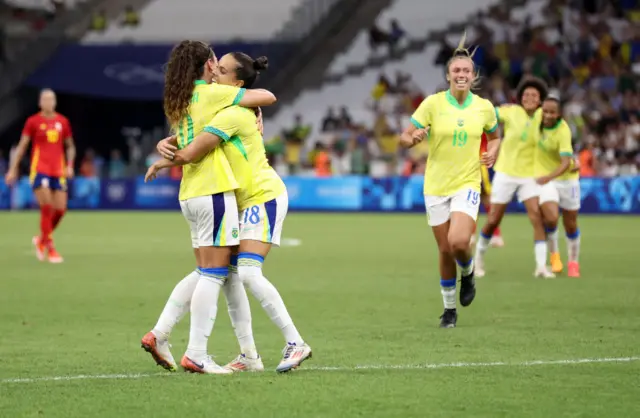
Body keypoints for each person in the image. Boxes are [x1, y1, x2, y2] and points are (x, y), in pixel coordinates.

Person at [149, 53, 312, 374]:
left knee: (246, 273)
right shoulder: (226, 108)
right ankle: (248, 355)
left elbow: (193, 149)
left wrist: (163, 158)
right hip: (243, 202)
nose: (215, 74)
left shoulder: (233, 114)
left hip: (262, 197)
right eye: (215, 67)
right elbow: (189, 136)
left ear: (237, 84)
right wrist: (166, 141)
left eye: (222, 71)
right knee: (227, 276)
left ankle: (296, 342)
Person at [399, 33, 500, 328]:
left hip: (467, 183)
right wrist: (412, 138)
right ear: (448, 75)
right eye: (456, 70)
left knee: (458, 241)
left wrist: (492, 152)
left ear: (473, 76)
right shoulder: (432, 104)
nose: (461, 74)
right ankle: (449, 309)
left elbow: (495, 137)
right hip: (435, 185)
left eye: (466, 70)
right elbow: (405, 136)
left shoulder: (484, 107)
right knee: (444, 250)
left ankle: (467, 273)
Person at [474, 77, 554, 278]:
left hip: (529, 176)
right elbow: (488, 114)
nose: (529, 98)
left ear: (540, 100)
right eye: (526, 94)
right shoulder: (510, 112)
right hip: (505, 174)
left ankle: (541, 267)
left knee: (537, 218)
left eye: (534, 95)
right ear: (520, 97)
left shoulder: (545, 118)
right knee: (493, 220)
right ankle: (477, 261)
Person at [4, 88, 75, 263]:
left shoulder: (62, 122)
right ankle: (50, 249)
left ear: (55, 102)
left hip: (58, 171)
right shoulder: (33, 122)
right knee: (47, 207)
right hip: (40, 170)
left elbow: (70, 146)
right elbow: (22, 146)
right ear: (40, 102)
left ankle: (41, 239)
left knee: (60, 210)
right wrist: (13, 168)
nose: (48, 102)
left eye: (51, 99)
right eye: (45, 99)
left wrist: (70, 165)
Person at [536, 95, 581, 277]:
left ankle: (573, 262)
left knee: (570, 224)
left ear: (559, 114)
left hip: (567, 178)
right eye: (545, 111)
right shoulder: (534, 125)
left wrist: (547, 177)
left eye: (552, 112)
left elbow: (565, 163)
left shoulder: (563, 130)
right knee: (551, 218)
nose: (547, 115)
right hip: (548, 181)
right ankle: (555, 256)